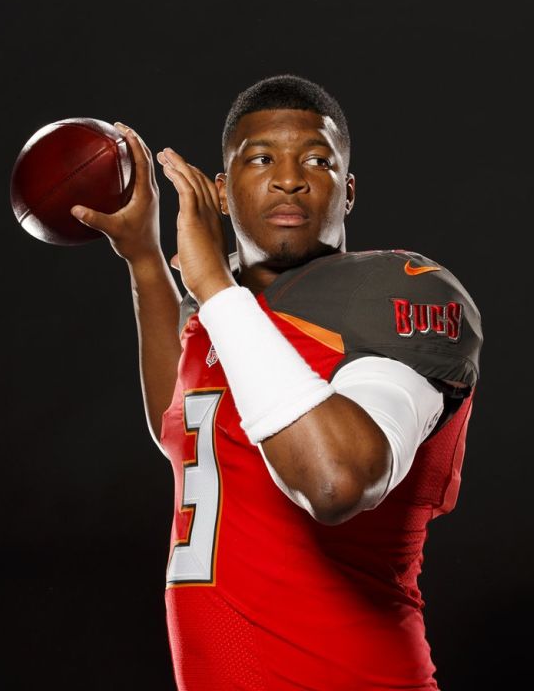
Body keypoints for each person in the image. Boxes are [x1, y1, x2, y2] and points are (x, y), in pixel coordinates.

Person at [70, 75, 483, 690]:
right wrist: (144, 257)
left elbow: (336, 481)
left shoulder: (397, 291)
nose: (289, 178)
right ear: (221, 191)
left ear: (347, 192)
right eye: (261, 158)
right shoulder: (232, 313)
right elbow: (181, 425)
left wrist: (212, 287)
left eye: (316, 160)